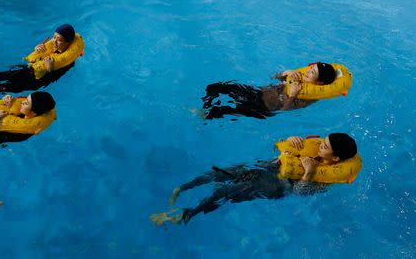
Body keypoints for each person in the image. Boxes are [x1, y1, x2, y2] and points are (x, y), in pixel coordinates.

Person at [150, 133, 359, 225]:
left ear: (335, 158)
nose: (320, 144)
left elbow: (299, 193)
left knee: (223, 192)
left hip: (274, 186)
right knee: (222, 172)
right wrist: (292, 141)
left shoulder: (326, 181)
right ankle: (183, 187)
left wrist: (308, 173)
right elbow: (281, 149)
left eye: (325, 146)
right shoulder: (313, 149)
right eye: (323, 141)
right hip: (264, 168)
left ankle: (185, 216)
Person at [199, 62, 338, 120]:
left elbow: (284, 110)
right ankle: (206, 102)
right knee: (219, 86)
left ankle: (204, 115)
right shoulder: (299, 75)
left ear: (319, 82)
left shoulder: (309, 97)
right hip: (257, 92)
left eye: (312, 72)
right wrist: (284, 73)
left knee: (227, 109)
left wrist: (293, 95)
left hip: (262, 108)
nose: (308, 71)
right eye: (311, 68)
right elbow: (273, 77)